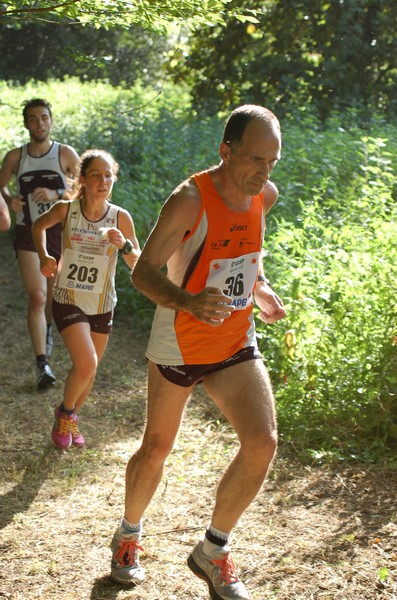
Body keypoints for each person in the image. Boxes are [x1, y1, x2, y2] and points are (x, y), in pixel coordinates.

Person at [110, 105, 286, 599]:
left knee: (262, 441)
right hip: (181, 340)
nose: (264, 172)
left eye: (272, 161)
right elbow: (143, 272)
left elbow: (249, 254)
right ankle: (128, 535)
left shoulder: (263, 195)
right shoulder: (190, 200)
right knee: (157, 447)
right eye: (254, 159)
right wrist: (188, 301)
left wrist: (260, 287)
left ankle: (213, 551)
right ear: (224, 151)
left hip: (234, 339)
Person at [32, 148, 140, 450]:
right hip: (68, 297)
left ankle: (73, 417)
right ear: (83, 179)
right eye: (96, 175)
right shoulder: (67, 210)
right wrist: (43, 255)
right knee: (86, 362)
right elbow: (39, 225)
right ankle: (64, 413)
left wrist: (126, 245)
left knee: (88, 369)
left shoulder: (120, 217)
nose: (103, 181)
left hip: (102, 304)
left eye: (109, 175)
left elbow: (137, 262)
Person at [0, 98, 80, 390]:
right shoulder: (15, 157)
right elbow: (1, 186)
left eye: (44, 118)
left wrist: (57, 191)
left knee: (52, 297)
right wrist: (11, 201)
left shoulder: (65, 154)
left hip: (60, 234)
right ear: (26, 124)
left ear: (51, 120)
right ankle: (41, 363)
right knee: (37, 295)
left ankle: (46, 332)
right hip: (27, 233)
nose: (39, 123)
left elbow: (85, 187)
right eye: (33, 119)